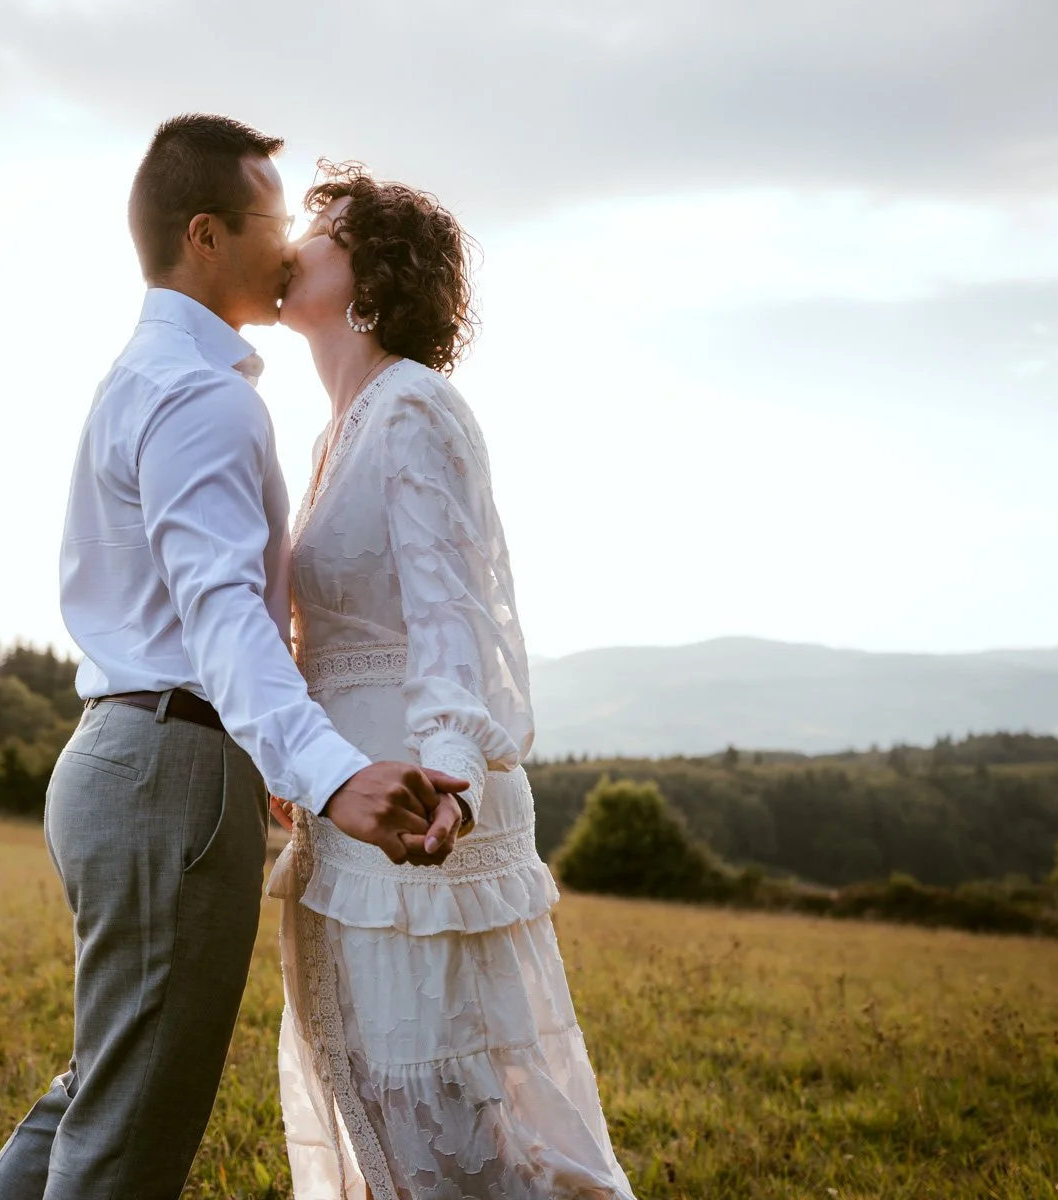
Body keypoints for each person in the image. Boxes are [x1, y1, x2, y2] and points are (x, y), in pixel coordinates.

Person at [0, 115, 471, 1200]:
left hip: (130, 758)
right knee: (127, 1136)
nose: (288, 246)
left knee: (99, 1089)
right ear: (206, 235)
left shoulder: (149, 374)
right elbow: (222, 615)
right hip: (170, 775)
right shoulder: (202, 396)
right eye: (271, 220)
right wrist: (327, 772)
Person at [268, 161, 637, 1199]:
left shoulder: (414, 407)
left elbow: (449, 614)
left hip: (420, 809)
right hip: (349, 806)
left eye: (321, 230)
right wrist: (297, 763)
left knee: (461, 1121)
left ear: (369, 276)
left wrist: (448, 783)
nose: (294, 244)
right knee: (377, 1103)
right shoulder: (334, 431)